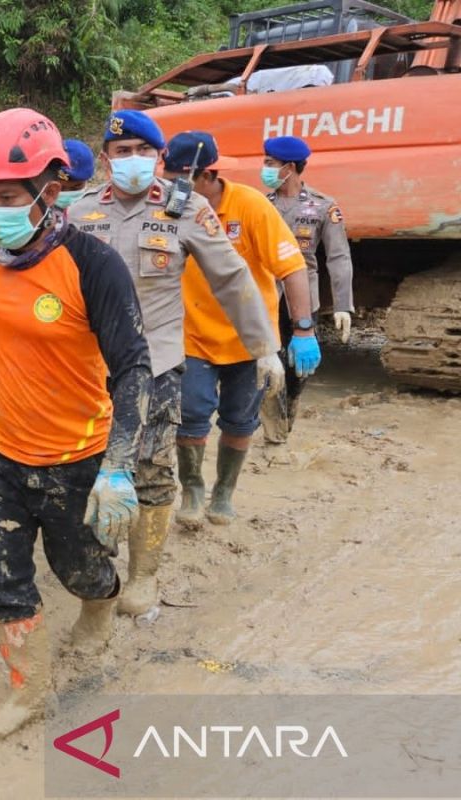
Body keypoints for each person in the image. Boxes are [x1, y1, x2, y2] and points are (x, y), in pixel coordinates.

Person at [0, 108, 151, 742]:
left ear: (51, 190)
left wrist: (118, 467)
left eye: (8, 197)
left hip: (76, 457)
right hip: (1, 451)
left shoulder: (94, 265)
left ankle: (100, 609)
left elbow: (134, 367)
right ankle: (29, 692)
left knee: (80, 570)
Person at [69, 111, 279, 619]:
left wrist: (264, 347)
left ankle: (144, 574)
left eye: (143, 150)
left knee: (150, 469)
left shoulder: (187, 209)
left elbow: (231, 277)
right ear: (106, 159)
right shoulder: (80, 211)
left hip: (157, 363)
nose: (133, 159)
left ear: (161, 157)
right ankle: (98, 555)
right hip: (88, 366)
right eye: (122, 151)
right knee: (84, 465)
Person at [161, 132, 320, 529]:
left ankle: (224, 492)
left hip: (251, 339)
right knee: (191, 416)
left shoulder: (250, 206)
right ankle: (192, 488)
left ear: (208, 175)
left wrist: (303, 329)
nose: (172, 189)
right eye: (168, 179)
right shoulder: (170, 209)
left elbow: (292, 267)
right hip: (192, 335)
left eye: (180, 180)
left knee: (240, 420)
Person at [262, 135, 355, 442]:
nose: (265, 169)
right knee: (265, 366)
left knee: (297, 370)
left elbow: (338, 256)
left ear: (289, 168)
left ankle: (289, 408)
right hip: (266, 297)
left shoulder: (323, 206)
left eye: (270, 164)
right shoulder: (261, 204)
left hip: (303, 300)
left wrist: (342, 305)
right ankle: (273, 430)